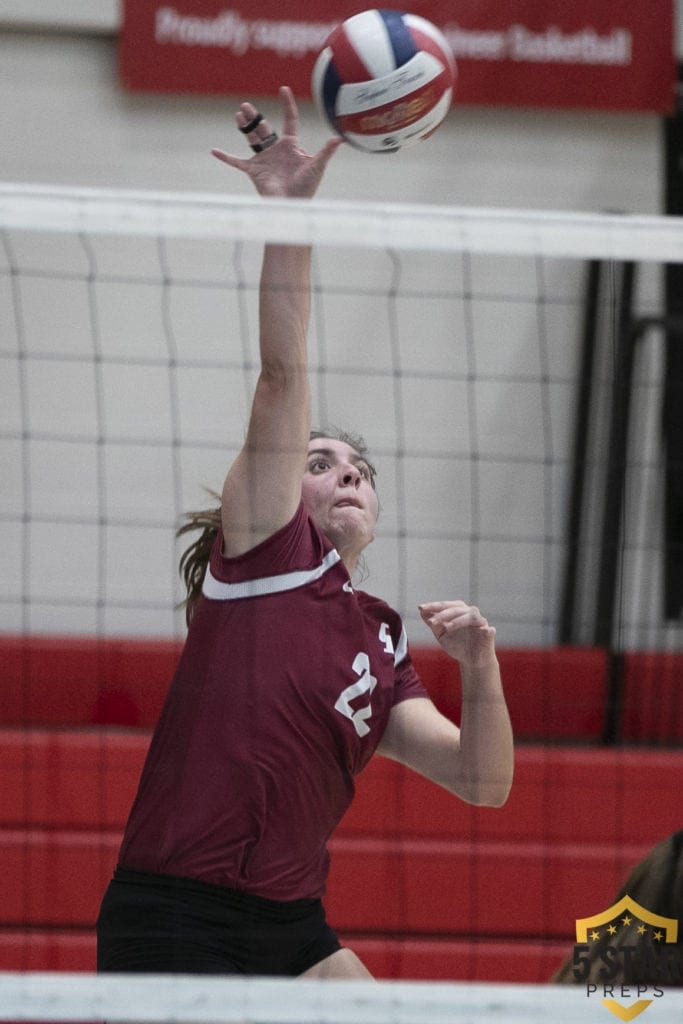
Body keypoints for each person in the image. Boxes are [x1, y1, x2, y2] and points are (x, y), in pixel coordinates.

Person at [96, 86, 514, 980]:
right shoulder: (259, 556)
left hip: (291, 922)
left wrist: (479, 670)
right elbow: (283, 375)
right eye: (320, 462)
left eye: (359, 468)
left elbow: (482, 782)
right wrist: (290, 215)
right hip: (176, 910)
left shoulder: (378, 638)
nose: (346, 472)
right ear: (286, 488)